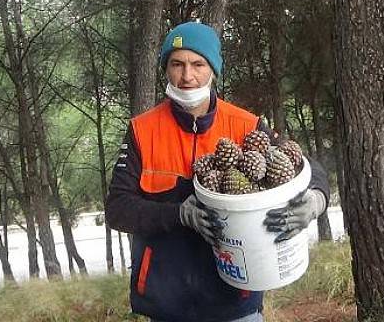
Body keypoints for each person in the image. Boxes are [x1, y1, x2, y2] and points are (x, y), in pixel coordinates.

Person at [105, 21, 330, 322]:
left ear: (213, 69)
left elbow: (302, 164)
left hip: (236, 298)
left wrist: (316, 200)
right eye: (177, 64)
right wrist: (179, 215)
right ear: (166, 69)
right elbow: (118, 209)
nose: (187, 76)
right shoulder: (142, 131)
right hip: (168, 303)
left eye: (198, 64)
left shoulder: (245, 126)